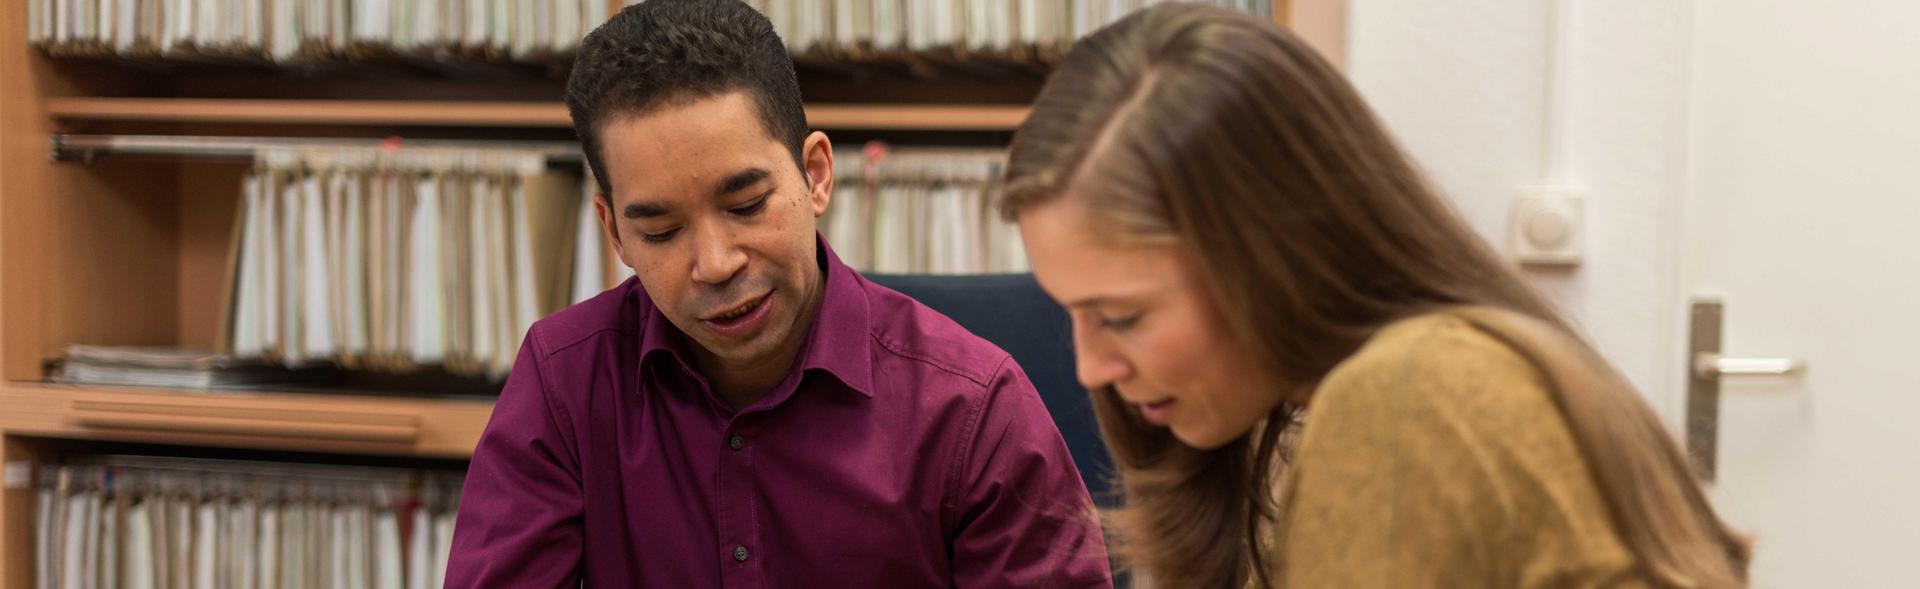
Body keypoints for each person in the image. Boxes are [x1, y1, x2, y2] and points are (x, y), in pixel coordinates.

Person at [999, 4, 1750, 588]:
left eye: (1122, 317)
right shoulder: (1325, 404)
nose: (1091, 366)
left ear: (1270, 253)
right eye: (1073, 314)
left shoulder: (1407, 393)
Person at [445, 0, 1110, 586]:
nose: (715, 263)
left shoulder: (972, 408)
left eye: (747, 203)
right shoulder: (565, 382)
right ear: (615, 231)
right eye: (662, 229)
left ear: (816, 175)